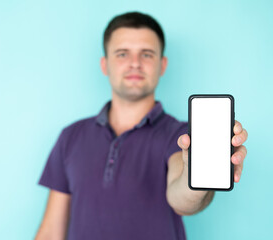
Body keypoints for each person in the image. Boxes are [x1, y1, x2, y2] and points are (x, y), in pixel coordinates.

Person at [35, 11, 248, 240]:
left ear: (162, 65)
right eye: (122, 54)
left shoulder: (183, 135)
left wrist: (198, 173)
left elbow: (182, 201)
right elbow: (50, 232)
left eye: (146, 54)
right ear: (105, 65)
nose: (135, 64)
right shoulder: (71, 136)